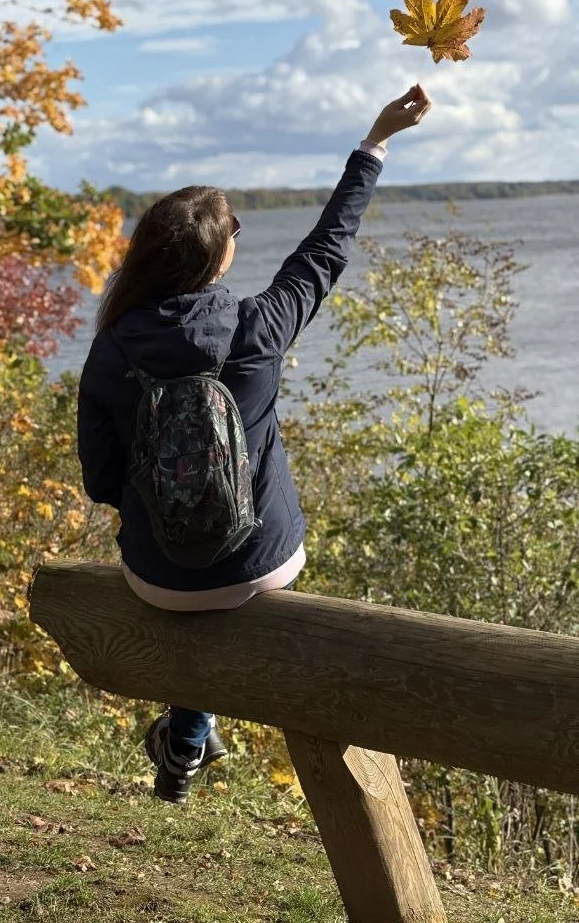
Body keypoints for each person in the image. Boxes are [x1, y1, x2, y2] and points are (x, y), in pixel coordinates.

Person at [78, 83, 432, 804]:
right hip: (263, 568)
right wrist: (375, 143)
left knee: (189, 580)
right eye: (234, 227)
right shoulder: (258, 329)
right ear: (217, 257)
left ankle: (187, 740)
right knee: (251, 538)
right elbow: (326, 249)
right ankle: (185, 738)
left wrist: (164, 507)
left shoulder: (113, 349)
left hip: (157, 576)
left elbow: (100, 481)